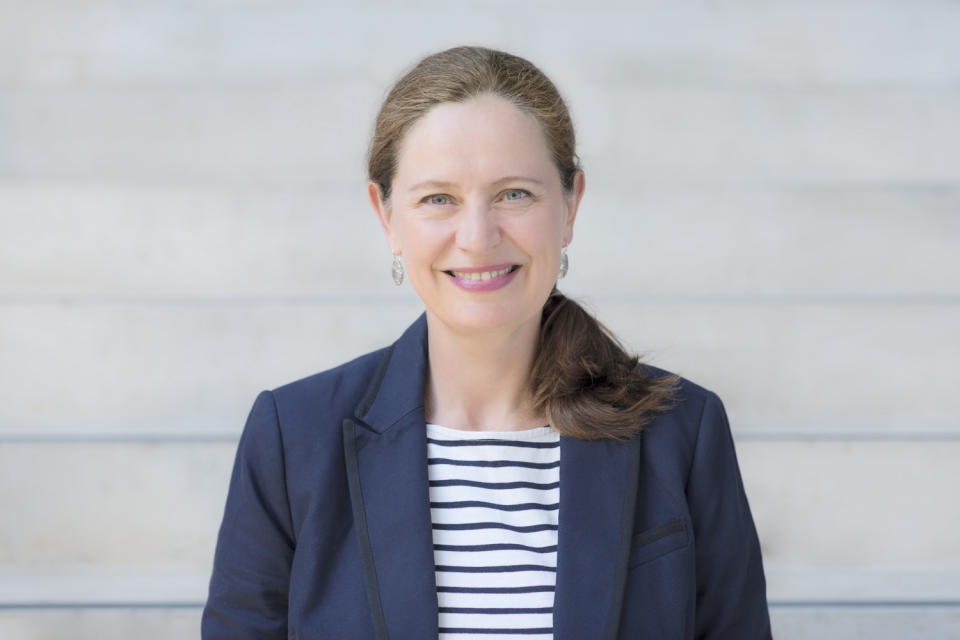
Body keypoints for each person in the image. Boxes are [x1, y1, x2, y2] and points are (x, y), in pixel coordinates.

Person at [201, 45, 772, 639]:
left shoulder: (683, 430)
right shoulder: (293, 435)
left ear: (571, 204)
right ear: (386, 215)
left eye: (514, 194)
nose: (477, 237)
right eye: (438, 198)